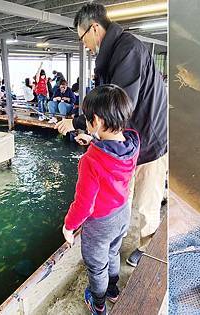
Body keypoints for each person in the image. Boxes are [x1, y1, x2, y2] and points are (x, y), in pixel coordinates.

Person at [57, 3, 168, 268]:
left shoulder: (127, 50)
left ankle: (148, 247)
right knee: (124, 197)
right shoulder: (110, 55)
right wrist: (95, 136)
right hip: (129, 141)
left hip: (149, 141)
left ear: (94, 28)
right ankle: (123, 238)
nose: (84, 45)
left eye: (82, 37)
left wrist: (77, 123)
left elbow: (116, 107)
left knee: (146, 201)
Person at [62, 85, 139, 315]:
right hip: (122, 212)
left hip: (100, 224)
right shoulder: (133, 143)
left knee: (97, 267)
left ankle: (98, 304)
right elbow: (112, 150)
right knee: (113, 252)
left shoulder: (91, 161)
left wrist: (69, 226)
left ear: (95, 120)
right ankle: (114, 290)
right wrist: (94, 141)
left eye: (87, 119)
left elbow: (84, 205)